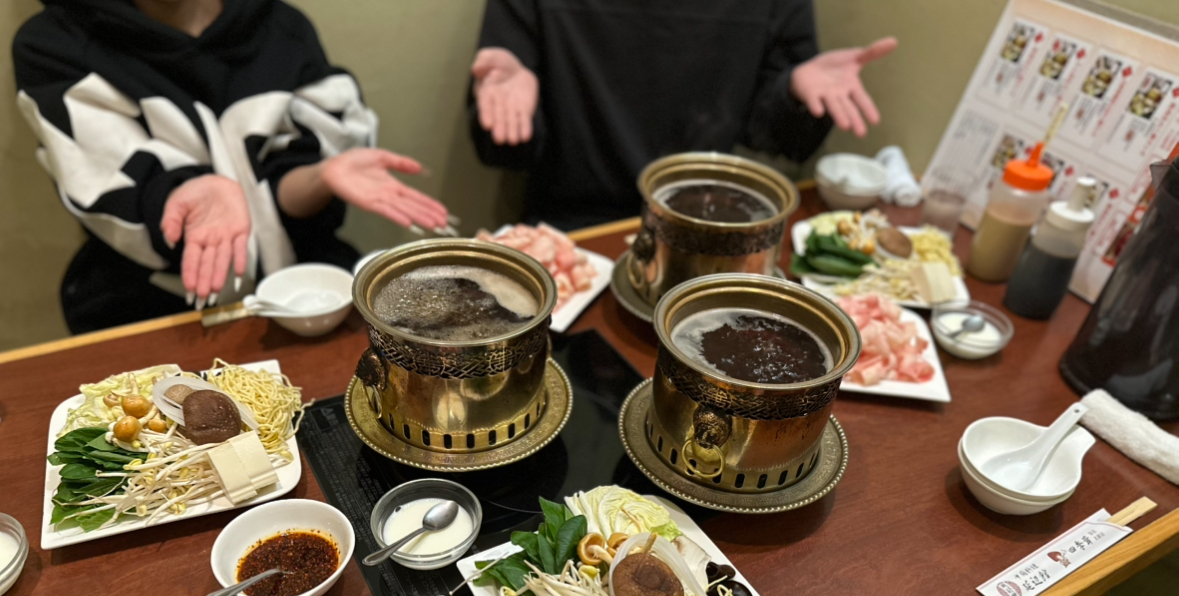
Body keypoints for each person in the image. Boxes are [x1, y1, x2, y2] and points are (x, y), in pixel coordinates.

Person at [13, 0, 450, 334]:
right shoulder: (57, 44)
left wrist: (320, 176)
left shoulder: (282, 26)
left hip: (303, 284)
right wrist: (180, 194)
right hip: (150, 300)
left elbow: (284, 182)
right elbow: (113, 181)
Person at [469, 0, 896, 229]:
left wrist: (796, 93)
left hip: (710, 226)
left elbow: (781, 141)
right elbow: (503, 153)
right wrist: (505, 107)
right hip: (572, 226)